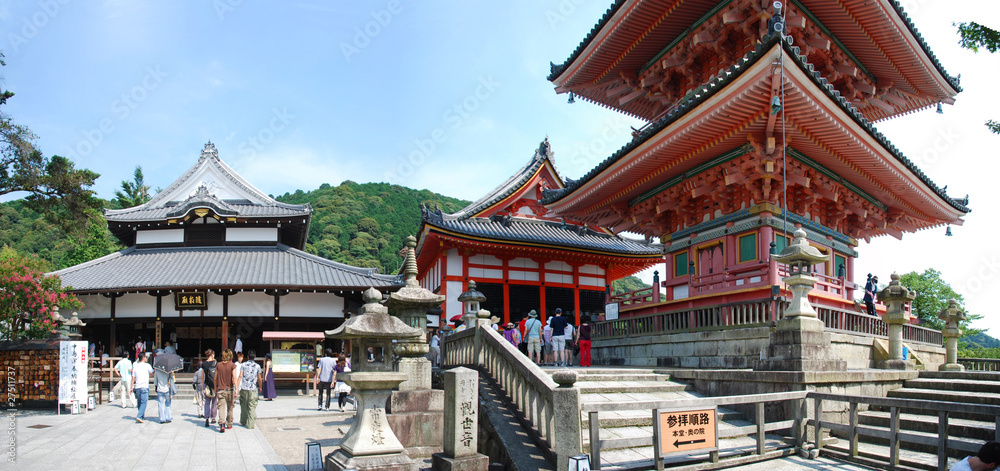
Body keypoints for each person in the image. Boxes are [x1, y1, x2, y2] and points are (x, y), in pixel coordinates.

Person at [215, 349, 238, 433]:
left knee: (221, 407)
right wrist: (236, 388)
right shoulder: (232, 365)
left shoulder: (218, 365)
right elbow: (234, 377)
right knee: (230, 407)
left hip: (221, 389)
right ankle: (229, 423)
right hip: (230, 389)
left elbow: (215, 378)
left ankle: (222, 424)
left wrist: (215, 387)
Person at [238, 350, 262, 429]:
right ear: (255, 357)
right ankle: (251, 424)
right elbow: (259, 378)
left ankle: (243, 421)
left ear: (247, 357)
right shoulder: (257, 366)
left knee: (243, 405)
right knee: (252, 405)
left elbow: (240, 375)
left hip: (244, 387)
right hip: (252, 388)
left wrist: (237, 386)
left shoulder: (243, 365)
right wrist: (260, 387)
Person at [130, 352, 154, 423]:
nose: (146, 358)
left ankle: (142, 416)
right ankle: (139, 416)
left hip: (137, 386)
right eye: (146, 357)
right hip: (144, 386)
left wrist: (131, 387)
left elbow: (133, 378)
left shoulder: (135, 366)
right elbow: (152, 373)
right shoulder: (147, 366)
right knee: (144, 402)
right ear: (143, 357)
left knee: (139, 402)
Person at [153, 357, 176, 424]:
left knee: (161, 404)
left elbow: (155, 381)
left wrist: (156, 386)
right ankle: (168, 417)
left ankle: (162, 418)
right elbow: (171, 379)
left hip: (160, 388)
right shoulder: (168, 370)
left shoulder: (157, 370)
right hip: (167, 388)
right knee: (168, 404)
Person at [202, 350, 218, 427]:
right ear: (212, 355)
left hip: (207, 384)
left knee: (207, 402)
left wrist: (202, 386)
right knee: (214, 402)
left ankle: (207, 417)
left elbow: (202, 376)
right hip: (214, 384)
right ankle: (213, 418)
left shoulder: (204, 364)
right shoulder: (215, 363)